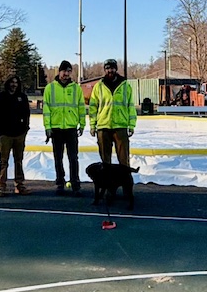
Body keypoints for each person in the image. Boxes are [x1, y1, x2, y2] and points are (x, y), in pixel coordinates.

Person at [43, 60, 86, 196]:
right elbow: (46, 109)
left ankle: (75, 184)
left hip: (71, 128)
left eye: (69, 71)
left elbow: (80, 107)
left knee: (73, 158)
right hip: (56, 128)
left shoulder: (76, 88)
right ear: (59, 71)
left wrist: (82, 124)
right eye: (64, 71)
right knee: (58, 158)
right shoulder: (50, 88)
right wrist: (48, 127)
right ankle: (60, 183)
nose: (66, 74)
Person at [89, 59, 137, 166]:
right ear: (104, 70)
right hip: (103, 127)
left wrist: (131, 125)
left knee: (124, 160)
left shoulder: (125, 86)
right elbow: (93, 108)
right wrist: (92, 125)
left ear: (116, 69)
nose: (110, 70)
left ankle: (125, 182)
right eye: (107, 68)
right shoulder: (99, 86)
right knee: (105, 162)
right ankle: (108, 182)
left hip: (120, 126)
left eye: (112, 68)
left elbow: (130, 106)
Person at [0, 75, 31, 197]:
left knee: (19, 161)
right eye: (12, 82)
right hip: (5, 135)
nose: (14, 84)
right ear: (7, 83)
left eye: (16, 82)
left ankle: (19, 185)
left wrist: (25, 128)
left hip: (19, 134)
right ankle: (1, 186)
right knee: (4, 161)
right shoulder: (0, 98)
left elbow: (27, 114)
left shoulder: (22, 97)